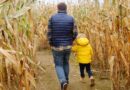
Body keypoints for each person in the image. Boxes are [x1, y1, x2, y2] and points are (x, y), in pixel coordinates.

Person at [47, 2, 77, 90]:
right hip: (68, 46)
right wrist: (70, 40)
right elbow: (75, 33)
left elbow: (49, 33)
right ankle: (66, 81)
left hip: (56, 46)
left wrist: (51, 42)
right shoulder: (71, 18)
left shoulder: (52, 18)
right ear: (66, 8)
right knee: (66, 63)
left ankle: (63, 81)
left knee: (58, 65)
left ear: (58, 8)